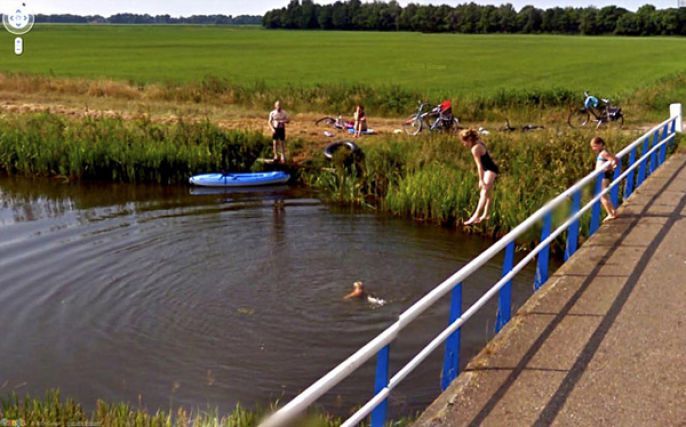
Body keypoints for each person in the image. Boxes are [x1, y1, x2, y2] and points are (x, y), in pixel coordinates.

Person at [460, 129, 499, 226]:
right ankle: (486, 214)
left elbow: (479, 165)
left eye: (464, 142)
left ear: (469, 139)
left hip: (490, 169)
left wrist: (481, 180)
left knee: (484, 192)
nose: (464, 145)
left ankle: (476, 215)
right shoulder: (479, 142)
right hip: (489, 168)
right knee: (488, 193)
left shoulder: (475, 149)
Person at [591, 136, 618, 222]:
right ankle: (613, 211)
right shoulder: (604, 152)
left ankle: (610, 214)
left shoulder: (603, 153)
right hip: (603, 176)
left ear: (600, 144)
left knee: (602, 197)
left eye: (594, 146)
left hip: (603, 177)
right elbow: (615, 158)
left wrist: (612, 166)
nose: (593, 148)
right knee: (605, 195)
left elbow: (613, 160)